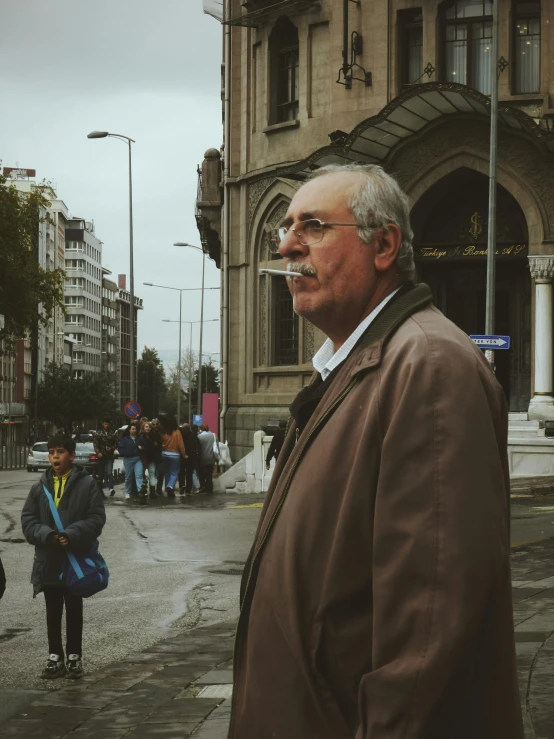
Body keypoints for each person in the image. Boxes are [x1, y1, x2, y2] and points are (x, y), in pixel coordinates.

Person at [229, 164, 523, 738]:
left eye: (312, 227)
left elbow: (428, 639)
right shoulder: (355, 367)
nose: (287, 246)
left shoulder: (427, 368)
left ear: (384, 244)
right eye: (285, 228)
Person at [21, 435, 105, 680]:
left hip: (74, 557)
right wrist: (46, 534)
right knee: (52, 609)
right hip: (48, 557)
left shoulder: (87, 484)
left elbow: (96, 518)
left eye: (60, 452)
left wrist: (72, 533)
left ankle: (74, 656)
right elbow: (28, 521)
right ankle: (54, 656)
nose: (55, 456)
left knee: (74, 608)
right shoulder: (39, 488)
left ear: (71, 455)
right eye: (51, 452)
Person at [160, 417, 187, 499]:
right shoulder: (177, 432)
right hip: (175, 454)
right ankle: (170, 487)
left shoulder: (163, 433)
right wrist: (184, 454)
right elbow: (180, 445)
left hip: (164, 453)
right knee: (174, 472)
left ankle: (167, 488)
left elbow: (160, 442)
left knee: (167, 472)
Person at [117, 422, 145, 503]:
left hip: (137, 458)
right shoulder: (125, 439)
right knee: (128, 476)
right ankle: (127, 492)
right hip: (128, 459)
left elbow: (144, 445)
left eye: (135, 429)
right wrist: (124, 453)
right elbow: (120, 448)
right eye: (132, 429)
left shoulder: (139, 438)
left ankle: (140, 491)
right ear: (129, 430)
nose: (134, 430)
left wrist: (141, 448)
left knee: (139, 475)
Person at [93, 419, 118, 497]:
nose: (106, 426)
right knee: (101, 474)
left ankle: (111, 488)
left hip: (109, 456)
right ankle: (99, 490)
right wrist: (98, 452)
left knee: (109, 472)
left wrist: (112, 448)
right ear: (103, 424)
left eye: (107, 424)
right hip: (101, 456)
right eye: (105, 424)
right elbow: (95, 444)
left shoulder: (112, 433)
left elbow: (116, 443)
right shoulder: (99, 433)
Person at [140, 420, 161, 499]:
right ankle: (142, 491)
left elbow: (158, 446)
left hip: (152, 458)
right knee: (141, 474)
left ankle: (152, 491)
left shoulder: (154, 436)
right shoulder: (140, 436)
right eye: (146, 427)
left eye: (149, 427)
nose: (148, 428)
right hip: (143, 458)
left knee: (152, 474)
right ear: (143, 428)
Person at [178, 423, 201, 495]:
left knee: (181, 472)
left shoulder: (180, 436)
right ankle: (188, 489)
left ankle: (182, 485)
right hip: (191, 457)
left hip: (182, 456)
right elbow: (198, 447)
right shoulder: (193, 436)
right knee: (189, 473)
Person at [197, 424, 219, 494]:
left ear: (201, 429)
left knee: (201, 474)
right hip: (210, 458)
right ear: (208, 428)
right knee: (209, 474)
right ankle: (209, 489)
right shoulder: (213, 436)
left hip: (201, 459)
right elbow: (216, 448)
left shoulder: (199, 437)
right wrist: (217, 458)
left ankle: (203, 486)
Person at [151, 418, 165, 495]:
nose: (155, 426)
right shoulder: (150, 432)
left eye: (157, 424)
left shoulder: (161, 432)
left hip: (160, 455)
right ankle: (152, 489)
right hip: (152, 455)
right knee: (152, 473)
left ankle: (159, 489)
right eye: (154, 424)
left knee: (161, 472)